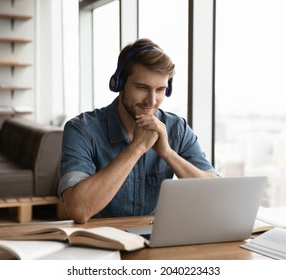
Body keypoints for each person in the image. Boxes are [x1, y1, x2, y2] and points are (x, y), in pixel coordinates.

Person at [58, 38, 219, 223]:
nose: (151, 101)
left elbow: (215, 193)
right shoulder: (81, 130)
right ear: (119, 84)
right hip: (101, 242)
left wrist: (167, 153)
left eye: (160, 90)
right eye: (142, 88)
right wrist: (137, 148)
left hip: (156, 240)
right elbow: (78, 209)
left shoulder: (177, 129)